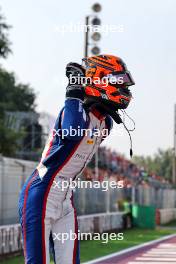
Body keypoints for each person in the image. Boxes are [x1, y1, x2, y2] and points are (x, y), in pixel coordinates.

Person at [19, 54, 135, 264]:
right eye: (119, 81)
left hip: (65, 196)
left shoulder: (104, 123)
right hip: (42, 192)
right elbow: (73, 132)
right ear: (101, 80)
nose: (125, 88)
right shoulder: (74, 112)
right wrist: (74, 90)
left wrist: (80, 90)